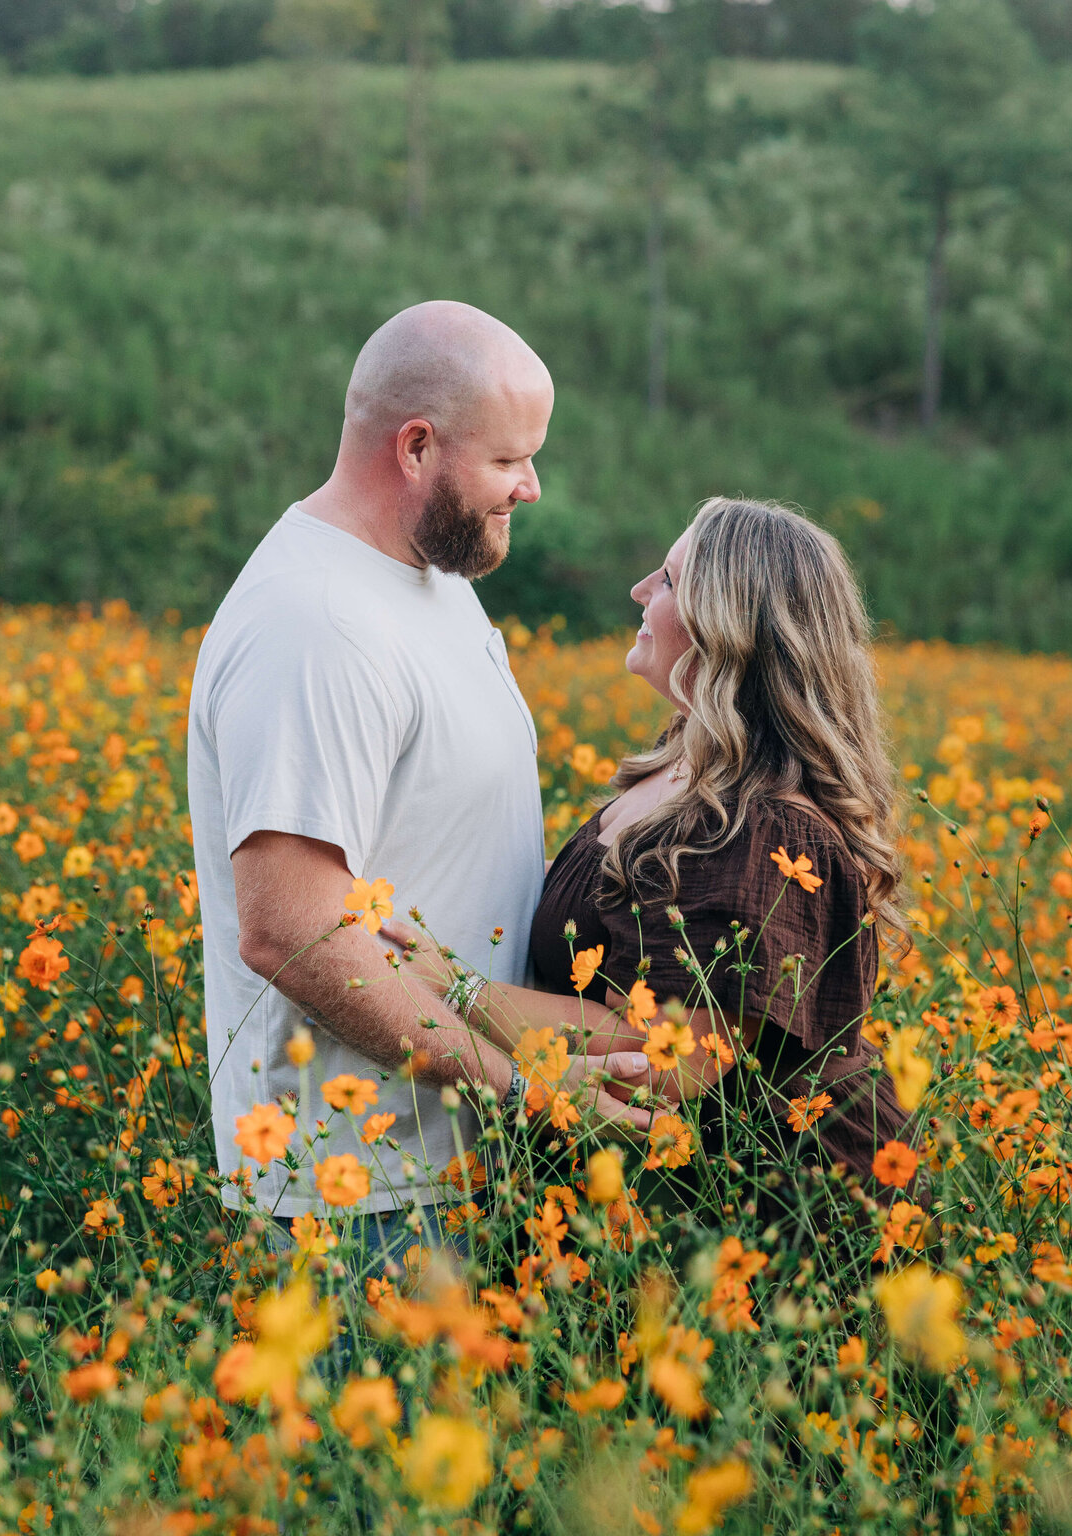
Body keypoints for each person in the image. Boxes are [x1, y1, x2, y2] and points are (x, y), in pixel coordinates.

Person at [187, 300, 647, 1271]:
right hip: (363, 1196)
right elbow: (293, 931)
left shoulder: (429, 578)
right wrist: (525, 1087)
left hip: (455, 1164)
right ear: (416, 447)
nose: (531, 487)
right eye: (509, 459)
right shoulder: (315, 626)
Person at [389, 496, 915, 1222]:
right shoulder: (681, 764)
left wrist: (456, 991)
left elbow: (670, 1062)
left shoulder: (766, 830)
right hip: (653, 1204)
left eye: (667, 579)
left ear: (725, 623)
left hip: (774, 1217)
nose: (639, 590)